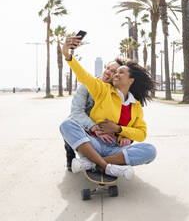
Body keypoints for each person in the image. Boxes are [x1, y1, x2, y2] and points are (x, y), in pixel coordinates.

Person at [60, 36, 157, 180]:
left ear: (130, 81)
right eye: (110, 70)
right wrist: (67, 55)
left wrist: (120, 130)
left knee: (150, 151)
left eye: (118, 72)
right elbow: (84, 77)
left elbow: (141, 133)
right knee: (67, 124)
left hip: (116, 147)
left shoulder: (135, 106)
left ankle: (92, 163)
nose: (113, 74)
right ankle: (108, 167)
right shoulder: (103, 90)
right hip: (92, 142)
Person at [63, 57, 127, 172]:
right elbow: (77, 112)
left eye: (113, 72)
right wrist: (94, 127)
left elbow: (127, 117)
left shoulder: (118, 92)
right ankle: (70, 156)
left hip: (105, 129)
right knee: (68, 125)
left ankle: (103, 159)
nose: (108, 72)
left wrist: (125, 135)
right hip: (85, 124)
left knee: (129, 136)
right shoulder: (87, 85)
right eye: (108, 68)